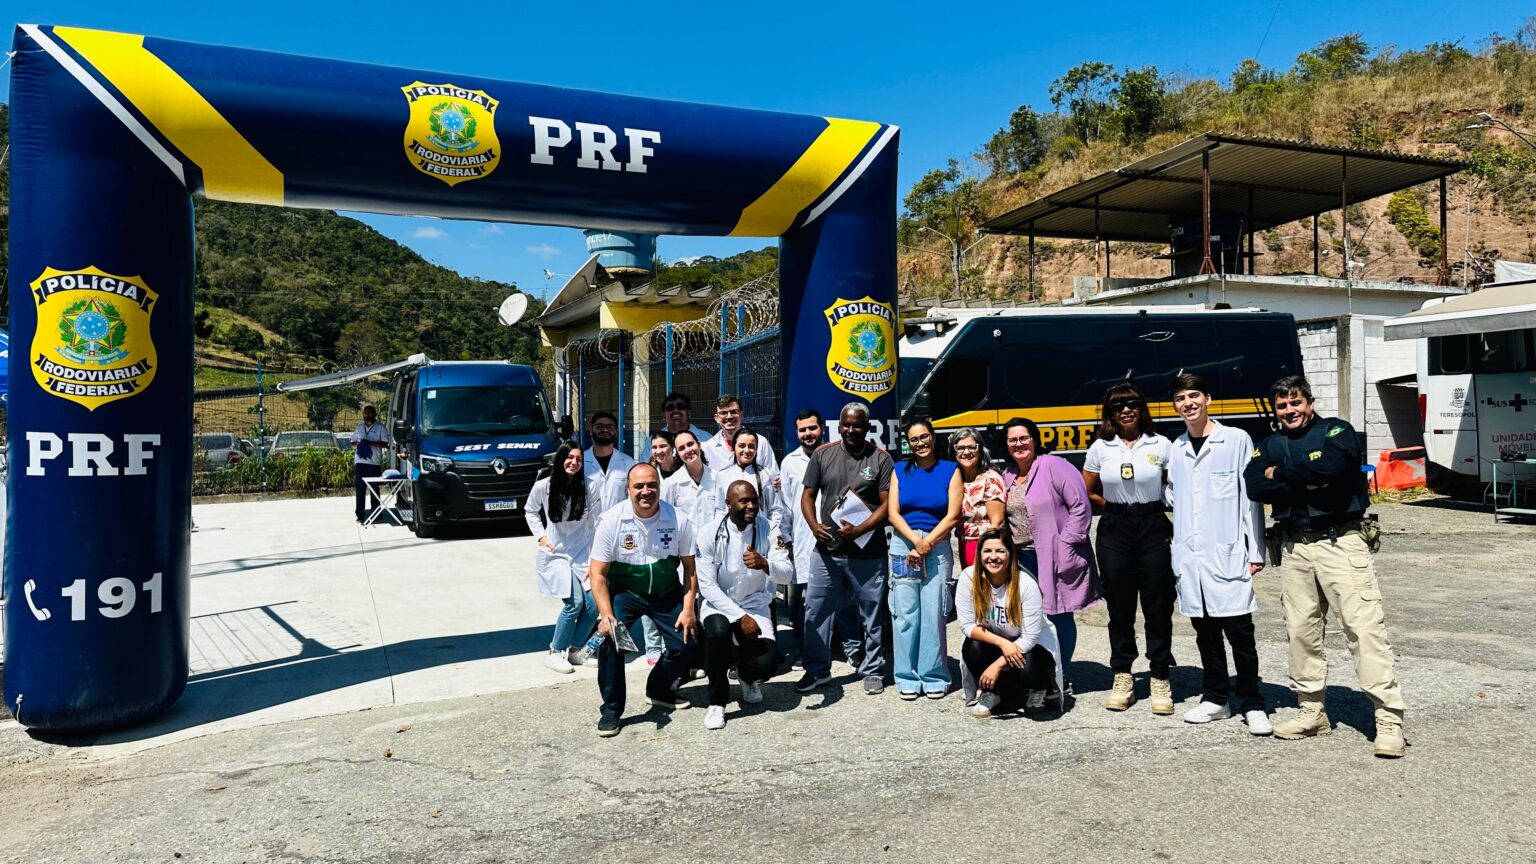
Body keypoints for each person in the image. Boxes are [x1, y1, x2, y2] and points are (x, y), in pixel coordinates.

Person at [1245, 374, 1407, 757]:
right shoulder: (1270, 444)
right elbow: (1254, 485)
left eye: (1295, 402)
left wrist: (1280, 473)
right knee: (1300, 631)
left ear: (1310, 402)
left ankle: (1388, 720)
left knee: (1363, 629)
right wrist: (1304, 481)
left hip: (1341, 543)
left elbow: (1333, 472)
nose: (1289, 410)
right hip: (1294, 547)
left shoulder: (1337, 431)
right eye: (1282, 405)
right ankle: (1312, 711)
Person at [1164, 372, 1271, 735]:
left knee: (1240, 634)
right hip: (1191, 557)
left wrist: (1255, 550)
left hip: (1228, 552)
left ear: (1207, 398)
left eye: (1194, 396)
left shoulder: (1236, 440)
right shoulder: (1176, 448)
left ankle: (1253, 703)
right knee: (1205, 633)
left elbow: (1250, 499)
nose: (1188, 403)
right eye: (1181, 399)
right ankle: (1216, 699)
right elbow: (1174, 495)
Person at [1082, 383, 1177, 715]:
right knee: (1119, 606)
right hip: (1115, 527)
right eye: (1118, 406)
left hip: (1152, 524)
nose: (1126, 410)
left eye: (1133, 404)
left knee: (1158, 603)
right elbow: (1085, 489)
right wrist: (1107, 506)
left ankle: (1160, 675)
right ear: (1110, 413)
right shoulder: (1101, 447)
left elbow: (1175, 484)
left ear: (1142, 408)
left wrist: (1163, 501)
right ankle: (1123, 674)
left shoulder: (1161, 444)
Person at [588, 463, 699, 737]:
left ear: (659, 487)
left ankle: (658, 689)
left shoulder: (678, 519)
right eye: (639, 486)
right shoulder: (611, 521)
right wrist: (606, 615)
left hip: (665, 591)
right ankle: (611, 709)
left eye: (652, 485)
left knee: (688, 642)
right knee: (610, 642)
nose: (646, 491)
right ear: (628, 489)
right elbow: (597, 574)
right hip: (625, 593)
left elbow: (690, 569)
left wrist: (688, 609)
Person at [796, 403, 894, 696]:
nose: (851, 430)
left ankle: (873, 670)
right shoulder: (822, 454)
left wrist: (861, 529)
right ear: (839, 426)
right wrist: (814, 525)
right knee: (816, 612)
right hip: (827, 551)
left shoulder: (880, 458)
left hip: (868, 553)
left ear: (867, 427)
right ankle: (817, 670)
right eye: (846, 425)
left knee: (872, 615)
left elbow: (888, 505)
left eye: (857, 425)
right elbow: (808, 495)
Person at [1000, 416, 1099, 694]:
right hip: (1021, 557)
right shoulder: (1008, 474)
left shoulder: (1055, 466)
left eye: (1024, 438)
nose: (1018, 444)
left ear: (1034, 439)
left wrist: (1067, 543)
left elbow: (1081, 507)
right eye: (1012, 440)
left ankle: (1061, 676)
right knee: (1030, 617)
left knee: (1059, 616)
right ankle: (1036, 674)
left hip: (1054, 555)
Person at [696, 480, 793, 730]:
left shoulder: (769, 529)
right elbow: (707, 586)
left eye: (755, 500)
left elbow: (787, 574)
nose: (751, 506)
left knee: (767, 664)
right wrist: (740, 617)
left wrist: (765, 564)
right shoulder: (709, 533)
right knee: (718, 632)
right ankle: (717, 701)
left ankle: (746, 677)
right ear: (728, 504)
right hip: (719, 604)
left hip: (755, 604)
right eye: (744, 501)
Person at [778, 409, 862, 670]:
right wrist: (786, 540)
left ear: (822, 429)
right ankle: (809, 650)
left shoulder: (837, 455)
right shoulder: (789, 463)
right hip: (804, 540)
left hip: (840, 537)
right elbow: (786, 506)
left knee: (847, 598)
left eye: (812, 428)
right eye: (802, 430)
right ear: (796, 433)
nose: (808, 434)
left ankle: (853, 650)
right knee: (809, 603)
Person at [887, 419, 959, 699]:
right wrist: (915, 542)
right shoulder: (899, 470)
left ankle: (934, 675)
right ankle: (906, 675)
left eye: (924, 437)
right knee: (905, 614)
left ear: (933, 437)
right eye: (914, 439)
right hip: (903, 544)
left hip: (936, 545)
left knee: (934, 612)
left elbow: (953, 515)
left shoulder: (950, 470)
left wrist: (927, 542)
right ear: (908, 443)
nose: (920, 443)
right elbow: (893, 513)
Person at [957, 529, 1064, 719]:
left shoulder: (1026, 584)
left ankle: (1040, 687)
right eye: (987, 551)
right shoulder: (968, 577)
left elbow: (1030, 637)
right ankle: (993, 692)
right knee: (972, 646)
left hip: (1032, 647)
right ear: (979, 554)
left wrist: (997, 665)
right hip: (1000, 642)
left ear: (1011, 555)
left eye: (1000, 551)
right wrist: (1002, 643)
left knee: (1029, 669)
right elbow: (967, 625)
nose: (993, 557)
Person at [526, 440, 598, 674]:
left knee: (594, 605)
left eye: (578, 459)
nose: (574, 462)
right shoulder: (543, 486)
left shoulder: (589, 487)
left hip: (583, 553)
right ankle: (555, 652)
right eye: (569, 457)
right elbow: (530, 510)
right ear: (560, 459)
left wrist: (597, 556)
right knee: (574, 603)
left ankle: (576, 650)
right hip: (556, 554)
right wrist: (541, 536)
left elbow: (597, 522)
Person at [710, 427, 784, 537]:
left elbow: (776, 509)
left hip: (759, 535)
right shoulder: (722, 475)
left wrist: (769, 532)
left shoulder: (766, 475)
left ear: (757, 449)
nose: (747, 450)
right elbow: (720, 509)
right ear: (733, 448)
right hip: (730, 535)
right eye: (742, 446)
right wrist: (722, 532)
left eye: (751, 446)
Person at [954, 427, 1005, 574]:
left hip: (984, 545)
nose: (966, 452)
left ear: (980, 450)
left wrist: (988, 552)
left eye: (972, 447)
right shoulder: (957, 479)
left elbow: (997, 523)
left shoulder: (990, 478)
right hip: (964, 543)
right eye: (961, 448)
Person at [701, 394, 777, 472]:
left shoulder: (761, 442)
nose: (729, 416)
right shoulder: (707, 448)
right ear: (716, 418)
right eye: (723, 413)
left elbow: (773, 475)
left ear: (741, 415)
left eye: (734, 412)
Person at [661, 430, 716, 535]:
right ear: (677, 453)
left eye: (690, 444)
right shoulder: (671, 483)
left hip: (713, 541)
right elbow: (666, 517)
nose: (688, 450)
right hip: (684, 543)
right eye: (681, 448)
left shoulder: (717, 478)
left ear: (699, 445)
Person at [350, 404, 391, 523]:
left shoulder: (381, 428)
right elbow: (352, 444)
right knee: (360, 489)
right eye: (365, 413)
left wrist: (371, 443)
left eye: (369, 413)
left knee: (374, 489)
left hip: (373, 463)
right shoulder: (359, 428)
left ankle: (376, 513)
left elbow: (385, 444)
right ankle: (360, 515)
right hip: (360, 463)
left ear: (374, 414)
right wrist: (360, 444)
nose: (366, 415)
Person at [639, 392, 710, 461]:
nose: (675, 410)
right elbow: (645, 466)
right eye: (670, 408)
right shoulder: (652, 442)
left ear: (689, 412)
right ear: (664, 416)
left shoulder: (706, 438)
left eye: (680, 407)